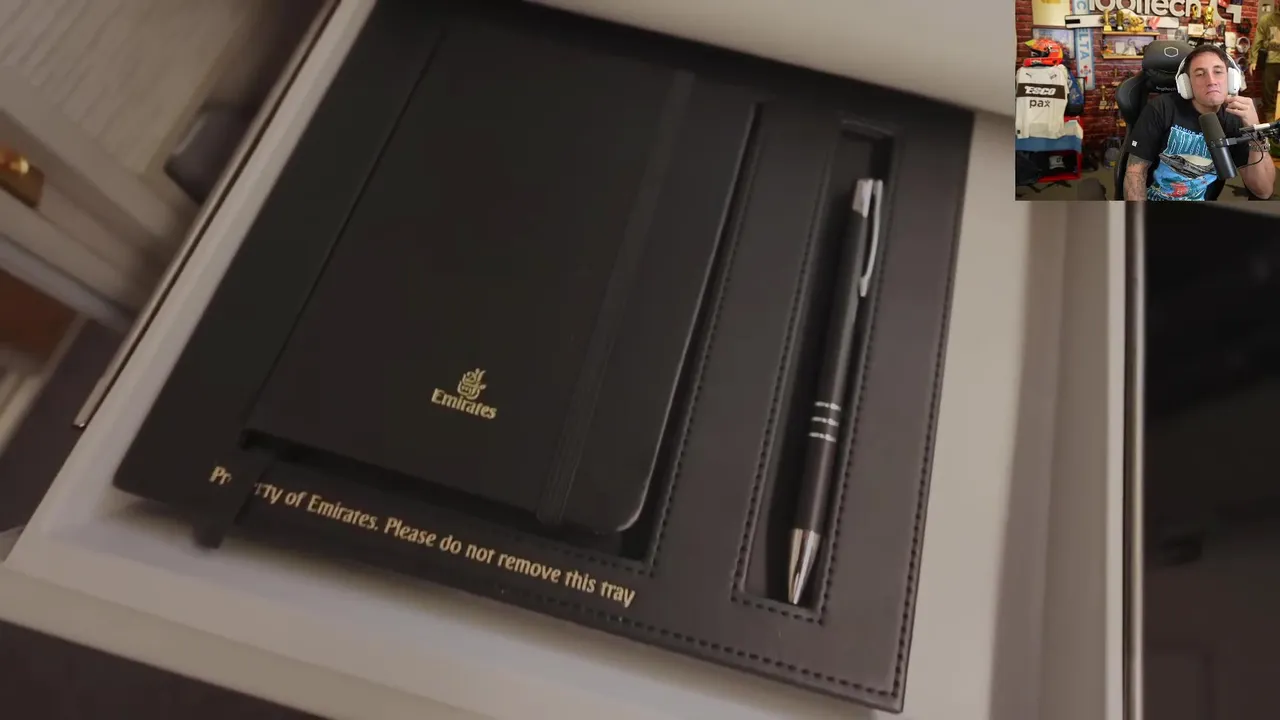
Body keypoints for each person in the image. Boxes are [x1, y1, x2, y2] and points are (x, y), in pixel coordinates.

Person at [1124, 44, 1275, 201]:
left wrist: (1255, 131)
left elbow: (1263, 191)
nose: (1211, 81)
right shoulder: (1161, 108)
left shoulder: (1235, 117)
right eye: (1200, 74)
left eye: (1218, 72)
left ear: (1231, 79)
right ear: (1187, 84)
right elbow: (1135, 173)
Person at [1251, 4, 1280, 123]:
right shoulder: (1267, 20)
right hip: (1272, 61)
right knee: (1268, 92)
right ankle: (1270, 120)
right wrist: (1253, 60)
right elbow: (1257, 40)